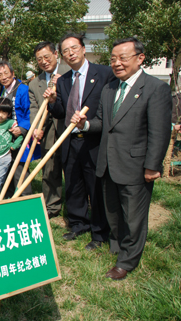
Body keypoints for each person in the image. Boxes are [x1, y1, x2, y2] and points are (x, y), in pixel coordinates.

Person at [72, 38, 172, 279]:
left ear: (140, 58)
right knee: (113, 211)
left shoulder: (155, 88)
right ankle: (116, 245)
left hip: (136, 166)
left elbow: (159, 132)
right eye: (113, 59)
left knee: (134, 216)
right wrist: (85, 124)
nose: (117, 63)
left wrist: (152, 166)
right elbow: (102, 123)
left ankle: (127, 261)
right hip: (108, 163)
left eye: (123, 58)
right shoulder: (110, 89)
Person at [44, 33, 115, 250]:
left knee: (95, 185)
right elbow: (59, 112)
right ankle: (78, 223)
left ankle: (99, 232)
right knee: (73, 183)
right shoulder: (64, 80)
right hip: (70, 139)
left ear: (84, 49)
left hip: (94, 139)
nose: (70, 53)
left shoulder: (104, 73)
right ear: (62, 56)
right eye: (65, 51)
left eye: (74, 48)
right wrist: (54, 101)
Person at [29, 41, 70, 219]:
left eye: (47, 57)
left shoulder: (68, 76)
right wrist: (36, 128)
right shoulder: (35, 83)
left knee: (72, 170)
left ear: (56, 54)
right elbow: (34, 108)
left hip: (69, 130)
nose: (44, 61)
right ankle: (51, 206)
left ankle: (76, 207)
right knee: (50, 171)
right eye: (40, 59)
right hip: (47, 133)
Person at [0, 61, 40, 197]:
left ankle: (24, 197)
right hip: (5, 135)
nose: (4, 77)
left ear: (13, 74)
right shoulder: (1, 91)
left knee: (19, 167)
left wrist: (22, 128)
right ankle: (8, 196)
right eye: (0, 75)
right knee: (5, 166)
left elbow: (30, 112)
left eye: (6, 73)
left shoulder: (23, 89)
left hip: (18, 135)